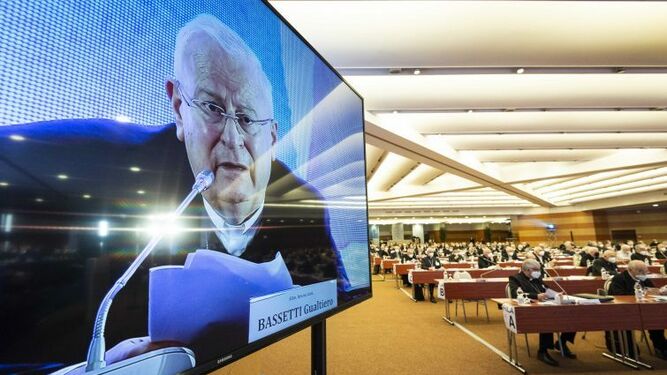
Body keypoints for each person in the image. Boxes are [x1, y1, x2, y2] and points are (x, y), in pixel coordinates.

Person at [509, 259, 577, 366]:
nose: (538, 272)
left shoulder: (537, 278)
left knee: (573, 312)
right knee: (547, 318)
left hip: (545, 305)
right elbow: (515, 294)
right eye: (535, 270)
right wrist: (536, 296)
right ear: (526, 270)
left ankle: (562, 342)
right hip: (528, 310)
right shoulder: (515, 279)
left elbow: (547, 289)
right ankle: (542, 351)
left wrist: (556, 294)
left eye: (539, 269)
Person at [607, 260, 667, 359]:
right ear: (630, 270)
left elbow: (653, 290)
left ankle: (660, 346)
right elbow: (619, 296)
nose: (643, 274)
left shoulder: (644, 278)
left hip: (645, 309)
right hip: (625, 311)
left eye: (645, 271)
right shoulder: (619, 279)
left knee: (656, 320)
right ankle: (628, 349)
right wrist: (642, 293)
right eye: (640, 271)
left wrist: (659, 292)